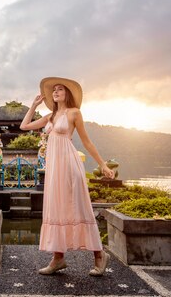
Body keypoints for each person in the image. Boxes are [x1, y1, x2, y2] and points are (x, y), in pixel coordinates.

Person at [20, 77, 115, 277]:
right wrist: (33, 105)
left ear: (67, 94)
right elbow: (24, 126)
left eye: (60, 89)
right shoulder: (49, 116)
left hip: (70, 166)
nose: (55, 92)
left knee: (79, 207)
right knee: (56, 207)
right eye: (53, 90)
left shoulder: (74, 113)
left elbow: (87, 142)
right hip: (54, 169)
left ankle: (99, 255)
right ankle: (58, 258)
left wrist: (103, 165)